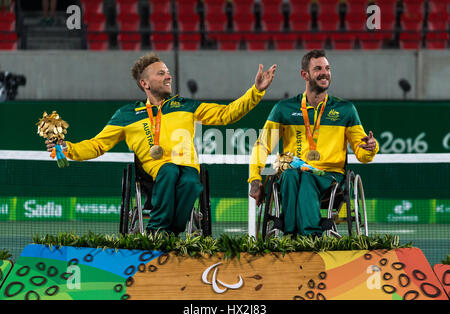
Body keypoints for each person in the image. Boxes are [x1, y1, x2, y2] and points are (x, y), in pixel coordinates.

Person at [46, 52, 277, 235]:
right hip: (152, 176)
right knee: (168, 170)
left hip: (186, 168)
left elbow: (227, 114)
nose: (168, 76)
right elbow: (98, 145)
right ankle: (157, 230)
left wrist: (255, 91)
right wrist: (69, 149)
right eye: (161, 73)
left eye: (168, 72)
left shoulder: (185, 105)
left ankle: (170, 231)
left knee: (190, 182)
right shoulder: (127, 114)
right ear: (145, 83)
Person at [248, 49, 378, 238]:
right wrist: (255, 179)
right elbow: (262, 145)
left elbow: (362, 154)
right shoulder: (284, 109)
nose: (324, 72)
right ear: (305, 75)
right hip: (293, 171)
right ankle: (291, 236)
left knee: (306, 176)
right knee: (292, 175)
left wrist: (370, 148)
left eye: (327, 68)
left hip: (329, 176)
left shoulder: (346, 110)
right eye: (318, 68)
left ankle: (309, 237)